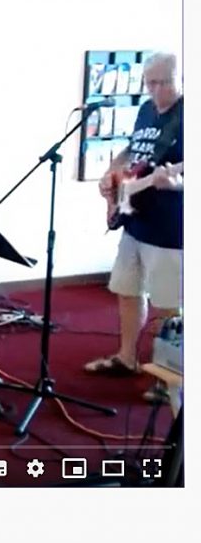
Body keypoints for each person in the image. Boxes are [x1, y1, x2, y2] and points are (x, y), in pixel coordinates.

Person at [86, 52, 183, 387]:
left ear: (181, 78)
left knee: (169, 304)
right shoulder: (145, 110)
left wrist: (176, 182)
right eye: (150, 83)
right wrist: (110, 174)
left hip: (172, 228)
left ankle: (172, 378)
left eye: (164, 83)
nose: (156, 91)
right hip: (134, 220)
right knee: (127, 290)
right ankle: (127, 356)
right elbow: (131, 151)